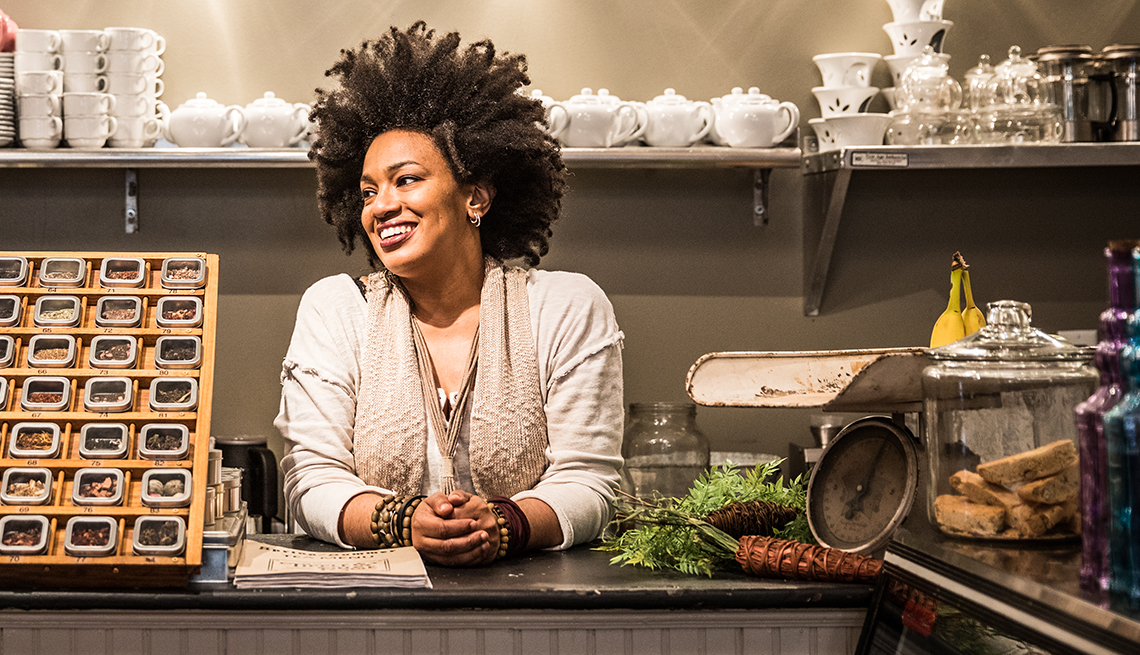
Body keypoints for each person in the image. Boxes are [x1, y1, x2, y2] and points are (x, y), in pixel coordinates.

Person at [275, 22, 625, 567]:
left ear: (475, 197)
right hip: (374, 613)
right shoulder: (336, 311)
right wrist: (400, 520)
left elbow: (592, 483)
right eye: (368, 191)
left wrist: (506, 524)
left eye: (406, 180)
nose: (380, 205)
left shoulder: (564, 307)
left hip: (534, 614)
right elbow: (309, 482)